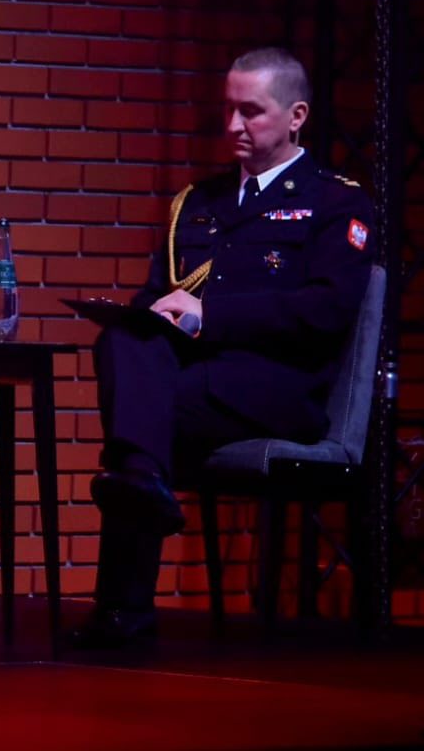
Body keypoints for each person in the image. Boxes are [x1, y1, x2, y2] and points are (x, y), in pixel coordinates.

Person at [71, 47, 376, 648]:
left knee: (138, 420)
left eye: (251, 112)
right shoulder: (198, 202)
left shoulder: (336, 202)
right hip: (198, 379)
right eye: (228, 109)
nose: (234, 125)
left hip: (279, 386)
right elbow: (160, 293)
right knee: (125, 340)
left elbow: (325, 312)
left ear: (296, 116)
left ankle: (122, 610)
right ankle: (142, 486)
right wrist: (148, 312)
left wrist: (211, 316)